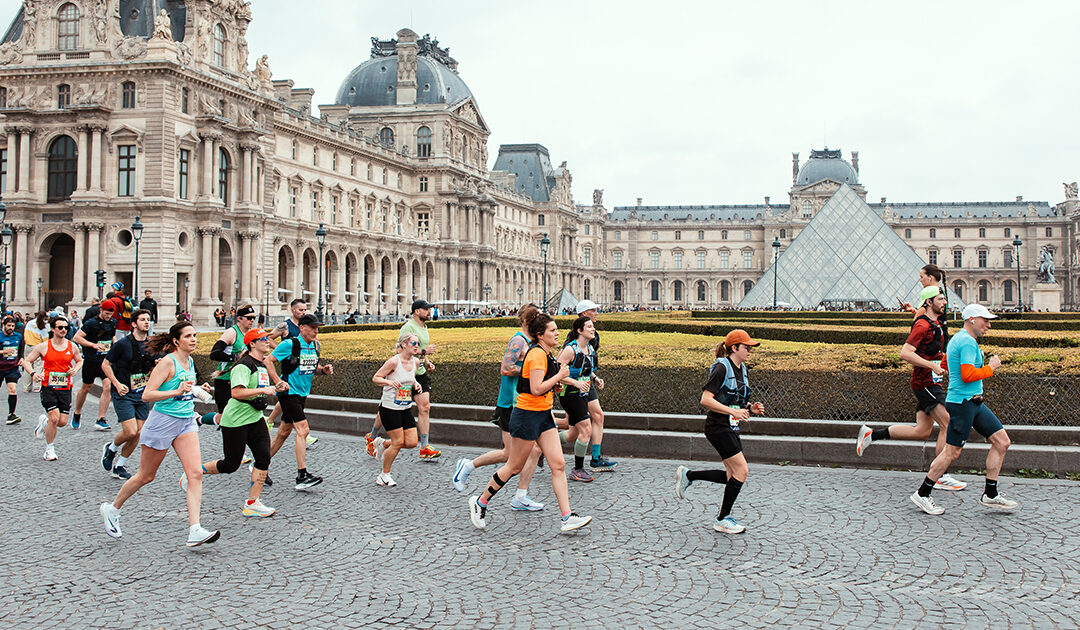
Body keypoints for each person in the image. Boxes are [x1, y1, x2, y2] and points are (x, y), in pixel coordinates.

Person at [99, 321, 220, 547]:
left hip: (185, 422)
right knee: (146, 475)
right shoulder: (167, 362)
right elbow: (147, 395)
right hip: (162, 422)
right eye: (188, 336)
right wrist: (178, 390)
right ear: (176, 341)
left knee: (195, 474)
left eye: (195, 335)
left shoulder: (190, 361)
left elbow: (184, 390)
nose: (194, 339)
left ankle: (195, 529)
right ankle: (112, 509)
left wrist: (196, 389)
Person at [468, 313, 592, 533]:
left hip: (543, 414)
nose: (557, 333)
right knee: (514, 466)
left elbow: (542, 385)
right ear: (540, 335)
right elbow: (535, 388)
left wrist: (556, 385)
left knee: (559, 464)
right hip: (526, 415)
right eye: (552, 331)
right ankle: (480, 502)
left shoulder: (547, 353)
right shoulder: (536, 355)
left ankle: (567, 517)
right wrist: (559, 377)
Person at [910, 304, 1018, 515]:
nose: (988, 324)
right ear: (971, 320)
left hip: (973, 402)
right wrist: (991, 368)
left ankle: (991, 494)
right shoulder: (967, 342)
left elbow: (947, 364)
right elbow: (968, 375)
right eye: (984, 320)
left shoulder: (959, 339)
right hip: (963, 403)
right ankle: (922, 494)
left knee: (1002, 441)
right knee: (952, 451)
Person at [857, 286, 966, 491]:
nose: (944, 302)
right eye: (940, 299)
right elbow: (905, 353)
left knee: (921, 432)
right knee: (948, 423)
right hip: (924, 382)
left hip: (932, 382)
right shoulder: (923, 326)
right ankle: (940, 475)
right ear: (928, 302)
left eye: (944, 298)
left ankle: (871, 434)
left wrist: (941, 360)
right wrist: (932, 365)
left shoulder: (935, 323)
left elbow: (930, 350)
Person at [451, 303, 546, 511]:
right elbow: (505, 368)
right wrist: (529, 370)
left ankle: (521, 495)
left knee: (534, 450)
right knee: (509, 456)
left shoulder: (531, 343)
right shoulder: (518, 341)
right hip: (511, 404)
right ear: (529, 321)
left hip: (525, 403)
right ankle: (468, 466)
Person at [674, 330, 766, 534]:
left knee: (731, 475)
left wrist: (750, 408)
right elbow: (706, 399)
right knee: (742, 471)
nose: (750, 351)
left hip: (730, 426)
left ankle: (689, 475)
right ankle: (722, 518)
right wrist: (733, 411)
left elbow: (736, 400)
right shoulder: (722, 368)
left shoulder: (742, 370)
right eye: (747, 347)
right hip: (718, 426)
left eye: (751, 348)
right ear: (734, 348)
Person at [191, 328, 286, 517]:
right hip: (235, 420)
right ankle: (195, 472)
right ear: (252, 344)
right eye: (263, 339)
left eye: (267, 338)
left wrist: (276, 387)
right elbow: (237, 392)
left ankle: (252, 503)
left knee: (263, 457)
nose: (268, 341)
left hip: (255, 417)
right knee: (231, 464)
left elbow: (260, 387)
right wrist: (264, 391)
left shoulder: (261, 364)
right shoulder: (244, 365)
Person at [365, 299, 441, 460]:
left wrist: (426, 362)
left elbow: (419, 353)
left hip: (418, 373)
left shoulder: (424, 328)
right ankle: (372, 437)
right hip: (403, 375)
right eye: (425, 309)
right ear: (416, 311)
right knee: (388, 407)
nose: (429, 312)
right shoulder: (407, 327)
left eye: (429, 309)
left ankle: (424, 446)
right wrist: (424, 351)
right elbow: (402, 349)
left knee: (425, 407)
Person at [268, 313, 333, 490]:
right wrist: (278, 382)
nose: (315, 331)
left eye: (317, 328)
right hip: (289, 393)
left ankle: (261, 465)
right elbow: (268, 360)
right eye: (312, 328)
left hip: (302, 394)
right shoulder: (290, 344)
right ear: (302, 328)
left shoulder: (315, 346)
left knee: (283, 433)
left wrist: (323, 371)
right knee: (303, 430)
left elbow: (310, 369)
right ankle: (301, 475)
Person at [100, 310, 156, 480]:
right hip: (124, 392)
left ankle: (120, 465)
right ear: (133, 324)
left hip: (141, 393)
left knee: (138, 433)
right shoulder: (122, 344)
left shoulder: (150, 344)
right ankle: (111, 448)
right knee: (130, 431)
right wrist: (116, 384)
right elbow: (105, 364)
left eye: (148, 319)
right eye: (142, 319)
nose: (146, 322)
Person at [24, 317, 83, 460]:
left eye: (66, 328)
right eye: (60, 327)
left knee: (62, 422)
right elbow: (26, 361)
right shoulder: (43, 346)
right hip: (48, 386)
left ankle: (44, 423)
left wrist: (75, 369)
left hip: (65, 387)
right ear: (52, 329)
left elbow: (79, 360)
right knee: (55, 418)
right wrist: (33, 373)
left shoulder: (71, 346)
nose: (63, 330)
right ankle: (49, 449)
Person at [370, 330, 423, 486]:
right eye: (413, 343)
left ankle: (383, 444)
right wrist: (388, 382)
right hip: (389, 407)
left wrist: (416, 384)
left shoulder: (416, 362)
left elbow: (411, 378)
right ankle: (384, 475)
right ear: (404, 344)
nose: (416, 346)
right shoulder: (393, 361)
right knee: (398, 442)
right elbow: (376, 378)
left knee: (413, 442)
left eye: (418, 344)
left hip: (405, 406)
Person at [266, 299, 318, 448]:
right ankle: (302, 469)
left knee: (283, 431)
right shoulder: (285, 325)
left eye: (305, 310)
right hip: (289, 365)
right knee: (301, 427)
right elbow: (268, 338)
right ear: (293, 310)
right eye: (300, 310)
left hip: (300, 377)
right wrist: (281, 351)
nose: (303, 312)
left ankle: (261, 462)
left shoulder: (310, 332)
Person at [573, 299, 616, 471]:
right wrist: (575, 382)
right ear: (584, 314)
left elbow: (587, 360)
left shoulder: (593, 334)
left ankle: (596, 458)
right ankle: (541, 445)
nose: (596, 313)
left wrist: (594, 376)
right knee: (572, 431)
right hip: (575, 386)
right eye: (593, 310)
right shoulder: (575, 338)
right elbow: (569, 363)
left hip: (587, 382)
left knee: (598, 416)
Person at [555, 315, 599, 482]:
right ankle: (578, 469)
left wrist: (595, 379)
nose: (593, 328)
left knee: (573, 433)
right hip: (570, 394)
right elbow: (556, 373)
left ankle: (544, 446)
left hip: (582, 394)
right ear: (580, 330)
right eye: (589, 327)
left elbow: (586, 368)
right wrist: (575, 383)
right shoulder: (570, 350)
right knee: (586, 429)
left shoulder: (589, 348)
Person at [206, 304, 257, 426]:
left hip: (241, 381)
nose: (252, 320)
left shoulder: (249, 334)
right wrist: (235, 357)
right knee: (226, 418)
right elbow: (214, 354)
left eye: (254, 318)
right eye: (249, 318)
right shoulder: (232, 332)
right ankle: (202, 420)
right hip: (225, 380)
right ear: (239, 318)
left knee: (241, 418)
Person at [72, 300, 118, 431]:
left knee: (107, 387)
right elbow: (77, 338)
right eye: (107, 314)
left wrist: (116, 346)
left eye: (111, 314)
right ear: (101, 311)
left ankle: (101, 419)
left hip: (106, 361)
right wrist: (93, 345)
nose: (109, 316)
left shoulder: (113, 322)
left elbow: (112, 337)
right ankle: (77, 412)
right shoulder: (91, 323)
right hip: (91, 360)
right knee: (86, 387)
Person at [0, 316, 24, 424]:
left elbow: (21, 348)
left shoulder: (18, 336)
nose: (11, 328)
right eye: (9, 326)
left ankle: (11, 414)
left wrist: (21, 358)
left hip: (12, 368)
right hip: (0, 367)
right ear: (3, 325)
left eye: (13, 326)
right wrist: (2, 352)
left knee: (12, 389)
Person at [21, 312, 47, 394]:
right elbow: (45, 339)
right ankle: (37, 386)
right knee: (38, 366)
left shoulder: (29, 323)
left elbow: (25, 334)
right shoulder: (43, 326)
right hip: (37, 347)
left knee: (27, 366)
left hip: (28, 346)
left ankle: (27, 387)